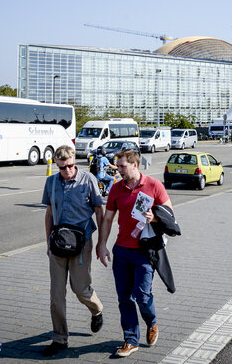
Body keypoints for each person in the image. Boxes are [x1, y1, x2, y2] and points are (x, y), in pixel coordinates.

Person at [97, 149, 172, 358]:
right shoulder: (116, 188)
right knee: (124, 297)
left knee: (142, 294)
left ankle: (152, 322)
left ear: (134, 165)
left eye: (122, 166)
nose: (118, 169)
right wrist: (102, 245)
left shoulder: (153, 185)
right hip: (122, 251)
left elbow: (170, 214)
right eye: (118, 166)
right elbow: (108, 219)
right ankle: (131, 339)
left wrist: (154, 217)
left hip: (144, 251)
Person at [42, 145, 106, 357]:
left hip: (82, 243)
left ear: (74, 161)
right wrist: (48, 242)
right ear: (57, 165)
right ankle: (60, 339)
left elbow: (99, 209)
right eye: (62, 168)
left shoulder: (88, 180)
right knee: (56, 295)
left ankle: (96, 309)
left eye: (70, 166)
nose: (67, 171)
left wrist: (101, 242)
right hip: (58, 244)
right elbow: (49, 213)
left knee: (81, 289)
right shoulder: (51, 182)